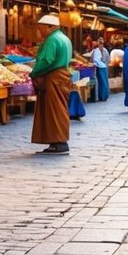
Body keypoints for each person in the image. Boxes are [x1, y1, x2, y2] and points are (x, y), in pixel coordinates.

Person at [31, 14, 73, 155]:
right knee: (59, 108)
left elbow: (46, 60)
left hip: (54, 77)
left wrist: (34, 73)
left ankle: (58, 142)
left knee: (53, 109)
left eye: (41, 28)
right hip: (62, 76)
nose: (40, 32)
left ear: (50, 27)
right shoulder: (64, 38)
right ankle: (58, 141)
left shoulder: (52, 40)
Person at [88, 34, 110, 102]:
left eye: (102, 44)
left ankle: (104, 96)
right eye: (100, 44)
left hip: (104, 68)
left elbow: (107, 59)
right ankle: (100, 96)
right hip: (98, 68)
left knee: (104, 82)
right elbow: (92, 59)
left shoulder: (105, 51)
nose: (101, 45)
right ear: (98, 44)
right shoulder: (95, 51)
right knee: (100, 82)